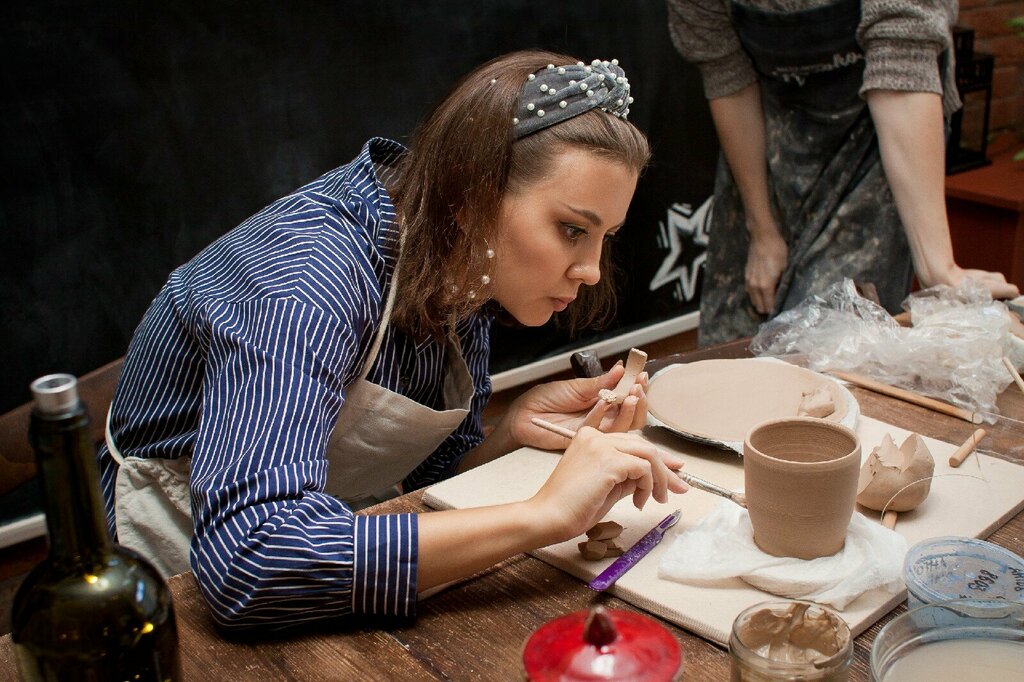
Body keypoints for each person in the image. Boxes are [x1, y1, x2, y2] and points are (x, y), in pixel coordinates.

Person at [98, 49, 688, 630]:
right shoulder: (306, 282)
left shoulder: (458, 254)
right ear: (473, 196)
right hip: (167, 575)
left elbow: (427, 479)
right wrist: (544, 516)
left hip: (323, 530)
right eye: (572, 229)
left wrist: (511, 430)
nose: (591, 270)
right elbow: (250, 563)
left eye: (606, 237)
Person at [666, 0, 1020, 346]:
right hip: (769, 129)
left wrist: (938, 267)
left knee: (826, 339)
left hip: (879, 132)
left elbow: (902, 64)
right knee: (732, 344)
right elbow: (728, 77)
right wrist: (762, 231)